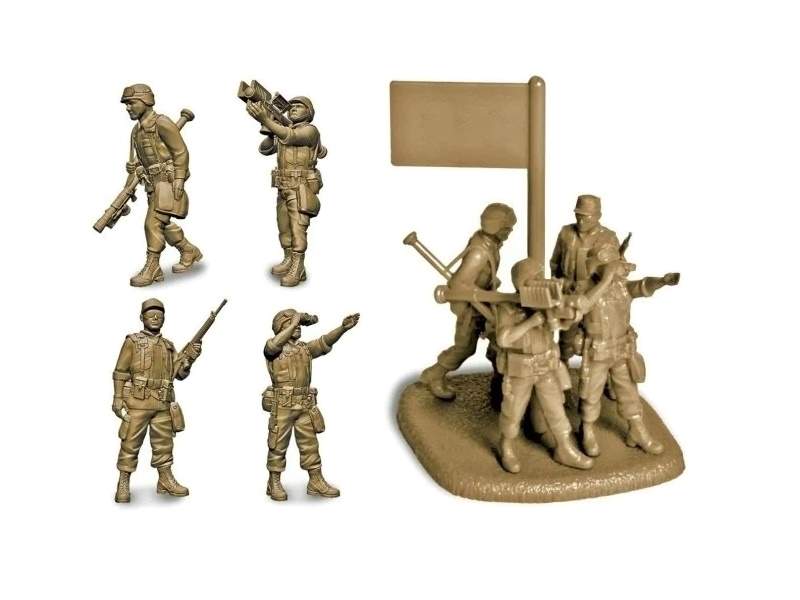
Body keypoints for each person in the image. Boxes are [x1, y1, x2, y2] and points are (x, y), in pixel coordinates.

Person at [577, 248, 679, 456]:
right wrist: (606, 278)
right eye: (614, 265)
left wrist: (661, 281)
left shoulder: (622, 288)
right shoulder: (585, 290)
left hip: (621, 350)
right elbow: (582, 307)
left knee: (628, 391)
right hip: (597, 352)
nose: (621, 269)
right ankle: (587, 430)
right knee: (590, 393)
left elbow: (643, 286)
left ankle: (637, 430)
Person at [419, 203, 516, 400]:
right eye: (507, 228)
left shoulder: (489, 244)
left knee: (498, 340)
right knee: (465, 347)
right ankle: (434, 375)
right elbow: (458, 285)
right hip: (471, 308)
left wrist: (489, 282)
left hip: (482, 302)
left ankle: (500, 381)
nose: (509, 232)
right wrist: (482, 295)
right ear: (495, 227)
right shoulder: (479, 252)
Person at [111, 298, 201, 502]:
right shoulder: (132, 341)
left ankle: (165, 479)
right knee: (130, 443)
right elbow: (120, 372)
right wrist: (117, 397)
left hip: (162, 402)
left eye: (159, 315)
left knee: (164, 444)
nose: (155, 318)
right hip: (137, 402)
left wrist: (190, 360)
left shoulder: (168, 346)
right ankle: (123, 481)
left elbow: (179, 374)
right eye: (150, 315)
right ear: (141, 317)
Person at [263, 309, 359, 500]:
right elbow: (271, 347)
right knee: (277, 445)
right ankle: (274, 482)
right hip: (283, 405)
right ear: (282, 327)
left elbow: (324, 342)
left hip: (304, 404)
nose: (298, 327)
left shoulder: (304, 349)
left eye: (299, 324)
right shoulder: (274, 348)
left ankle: (315, 480)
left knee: (310, 444)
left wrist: (342, 328)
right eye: (292, 324)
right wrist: (294, 321)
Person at [120, 84, 203, 287]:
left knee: (152, 223)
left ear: (146, 101)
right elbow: (142, 160)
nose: (128, 108)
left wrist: (179, 179)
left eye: (131, 103)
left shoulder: (162, 123)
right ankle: (188, 250)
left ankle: (153, 267)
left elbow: (180, 152)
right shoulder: (136, 131)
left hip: (167, 182)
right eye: (126, 104)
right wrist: (132, 175)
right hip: (152, 185)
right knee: (162, 224)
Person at [246, 96, 326, 286]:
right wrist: (269, 130)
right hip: (283, 186)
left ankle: (298, 268)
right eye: (292, 106)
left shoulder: (310, 130)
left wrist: (266, 119)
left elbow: (291, 137)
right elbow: (265, 149)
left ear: (309, 112)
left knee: (298, 228)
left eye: (299, 106)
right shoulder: (284, 130)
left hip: (300, 187)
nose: (293, 109)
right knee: (284, 227)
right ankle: (289, 260)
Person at [550, 195, 619, 360]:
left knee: (597, 336)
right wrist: (558, 282)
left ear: (598, 216)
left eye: (586, 217)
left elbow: (615, 270)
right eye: (578, 215)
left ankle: (598, 371)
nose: (581, 221)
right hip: (569, 293)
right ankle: (563, 366)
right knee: (566, 336)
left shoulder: (608, 237)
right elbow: (555, 262)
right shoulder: (566, 233)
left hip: (595, 296)